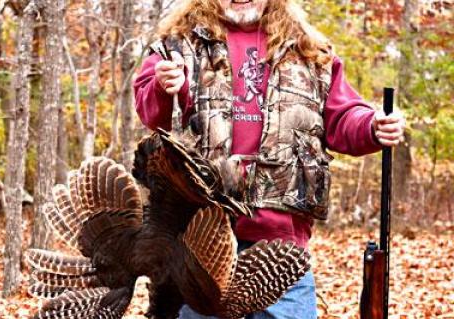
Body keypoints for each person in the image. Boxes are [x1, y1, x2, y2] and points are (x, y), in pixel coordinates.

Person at [134, 0, 405, 318]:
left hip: (280, 252)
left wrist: (374, 125)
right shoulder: (180, 44)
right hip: (199, 247)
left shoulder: (307, 49)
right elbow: (150, 109)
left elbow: (344, 115)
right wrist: (164, 86)